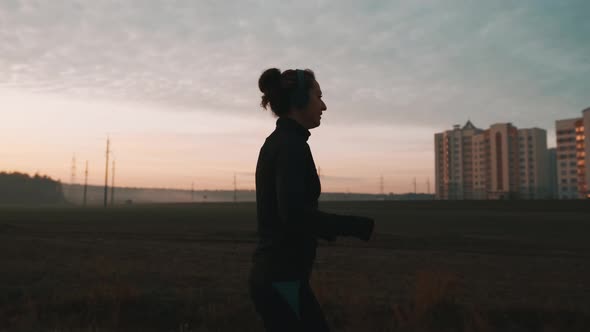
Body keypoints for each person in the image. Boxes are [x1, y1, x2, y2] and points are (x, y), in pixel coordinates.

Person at [249, 68, 375, 331]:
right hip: (282, 279)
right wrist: (357, 227)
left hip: (277, 277)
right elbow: (294, 215)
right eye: (318, 96)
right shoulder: (290, 146)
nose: (324, 106)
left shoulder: (280, 142)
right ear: (298, 101)